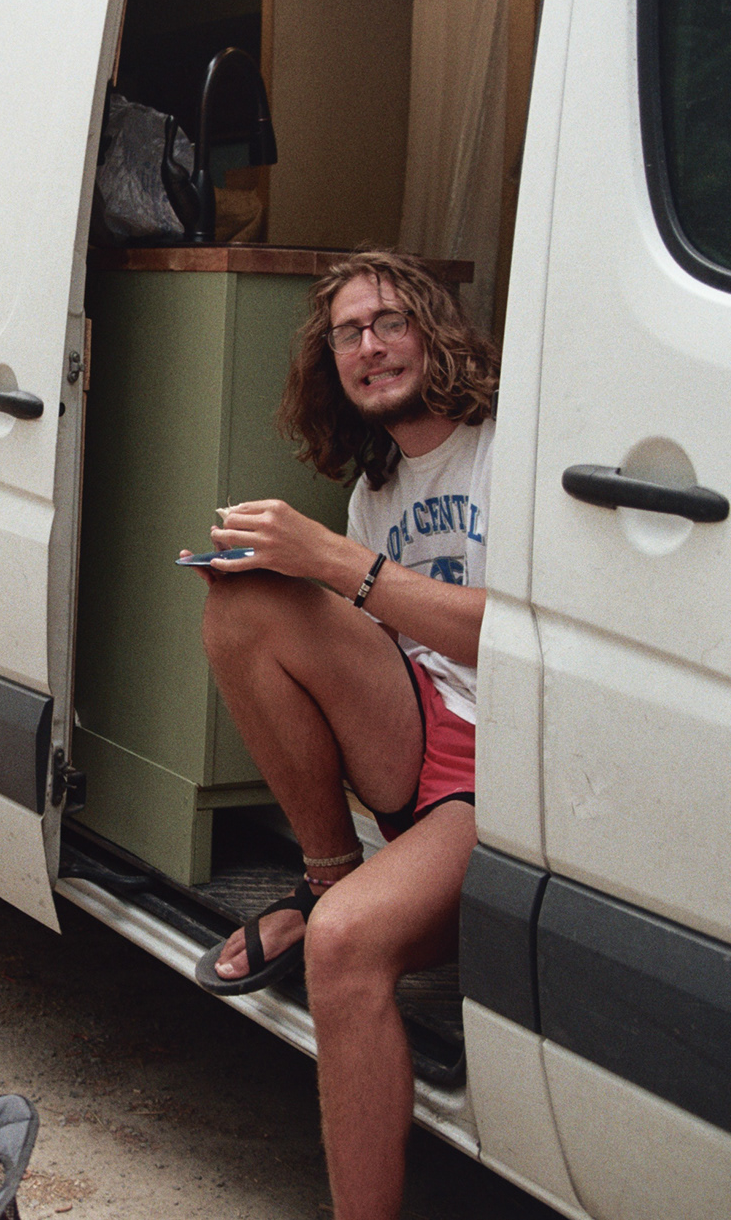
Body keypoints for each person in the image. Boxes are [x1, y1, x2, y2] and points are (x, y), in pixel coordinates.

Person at [184, 250, 495, 1220]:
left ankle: (337, 908)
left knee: (345, 945)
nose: (370, 346)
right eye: (348, 334)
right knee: (240, 604)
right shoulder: (375, 490)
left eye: (389, 321)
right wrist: (301, 578)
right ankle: (325, 874)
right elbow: (389, 649)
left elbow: (523, 640)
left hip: (499, 767)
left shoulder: (507, 450)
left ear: (434, 332)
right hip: (415, 728)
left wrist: (336, 562)